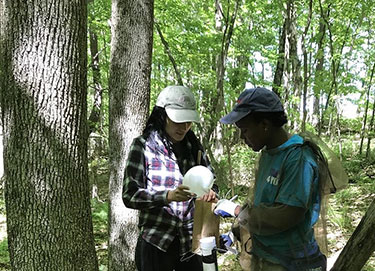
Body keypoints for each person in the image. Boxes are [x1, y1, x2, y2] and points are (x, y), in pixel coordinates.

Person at [214, 87, 327, 271]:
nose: (242, 137)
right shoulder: (269, 153)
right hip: (266, 255)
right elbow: (263, 203)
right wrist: (236, 232)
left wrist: (238, 212)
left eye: (245, 130)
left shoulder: (298, 158)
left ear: (265, 125)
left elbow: (287, 215)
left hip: (291, 262)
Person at [122, 85, 217, 271]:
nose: (184, 127)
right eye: (178, 121)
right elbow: (130, 195)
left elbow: (213, 183)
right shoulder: (143, 146)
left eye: (188, 122)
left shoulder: (194, 148)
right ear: (162, 116)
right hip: (156, 243)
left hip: (192, 242)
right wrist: (167, 196)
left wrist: (210, 194)